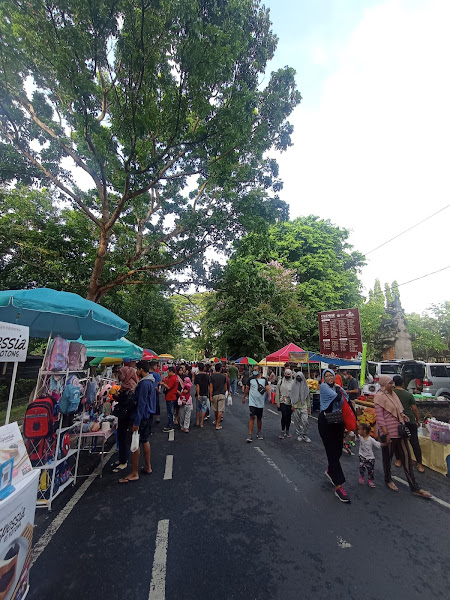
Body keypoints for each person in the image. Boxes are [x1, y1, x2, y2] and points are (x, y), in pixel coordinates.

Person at [374, 375, 430, 498]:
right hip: (388, 433)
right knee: (387, 458)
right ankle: (388, 479)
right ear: (383, 384)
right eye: (389, 383)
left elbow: (399, 410)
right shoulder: (379, 397)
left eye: (392, 383)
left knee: (407, 458)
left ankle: (414, 487)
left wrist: (403, 417)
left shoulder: (394, 395)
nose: (392, 385)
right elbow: (380, 418)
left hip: (400, 431)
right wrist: (386, 434)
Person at [119, 360, 156, 483]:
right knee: (145, 440)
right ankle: (148, 466)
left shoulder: (144, 384)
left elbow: (141, 403)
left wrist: (136, 422)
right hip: (148, 415)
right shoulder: (150, 381)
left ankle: (135, 472)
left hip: (142, 416)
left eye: (137, 369)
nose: (136, 372)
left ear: (140, 369)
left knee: (135, 443)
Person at [318, 368, 350, 503]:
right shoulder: (324, 387)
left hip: (338, 420)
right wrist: (338, 388)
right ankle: (339, 485)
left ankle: (331, 470)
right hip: (326, 422)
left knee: (338, 451)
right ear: (324, 378)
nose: (330, 377)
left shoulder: (338, 388)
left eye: (332, 375)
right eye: (327, 376)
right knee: (332, 453)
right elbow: (337, 397)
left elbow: (346, 400)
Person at [393, 374, 425, 473]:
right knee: (414, 442)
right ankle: (419, 464)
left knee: (398, 441)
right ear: (403, 383)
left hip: (397, 420)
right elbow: (414, 409)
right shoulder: (408, 394)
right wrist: (418, 420)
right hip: (410, 420)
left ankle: (398, 460)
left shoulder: (391, 393)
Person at [114, 363, 139, 473]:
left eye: (121, 374)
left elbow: (128, 402)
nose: (119, 376)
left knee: (124, 437)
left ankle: (124, 461)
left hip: (126, 415)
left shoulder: (131, 386)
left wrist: (118, 397)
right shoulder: (125, 385)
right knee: (120, 436)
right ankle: (121, 458)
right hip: (123, 415)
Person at [242, 365, 270, 443]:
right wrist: (244, 397)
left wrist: (269, 396)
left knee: (259, 418)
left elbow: (268, 387)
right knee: (252, 417)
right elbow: (247, 388)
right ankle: (250, 434)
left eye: (256, 370)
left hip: (260, 402)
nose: (254, 371)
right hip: (252, 402)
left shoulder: (264, 380)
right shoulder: (250, 379)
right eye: (254, 370)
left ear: (260, 371)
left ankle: (259, 432)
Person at [357, 422, 381, 487]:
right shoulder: (360, 437)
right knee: (361, 468)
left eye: (360, 430)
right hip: (362, 456)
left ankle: (370, 480)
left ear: (364, 431)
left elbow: (378, 445)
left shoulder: (371, 439)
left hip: (370, 458)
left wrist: (385, 444)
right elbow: (356, 435)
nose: (358, 431)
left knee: (371, 470)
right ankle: (361, 476)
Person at [291, 370, 311, 442]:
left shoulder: (306, 386)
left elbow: (308, 397)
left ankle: (305, 434)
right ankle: (299, 434)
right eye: (297, 376)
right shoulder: (293, 385)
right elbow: (291, 396)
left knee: (305, 421)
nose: (299, 378)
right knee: (296, 422)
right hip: (296, 406)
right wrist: (292, 404)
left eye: (300, 377)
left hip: (304, 406)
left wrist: (308, 406)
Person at [275, 368, 295, 438]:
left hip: (290, 402)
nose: (287, 375)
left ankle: (287, 430)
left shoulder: (293, 383)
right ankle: (282, 430)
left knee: (289, 416)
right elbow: (277, 392)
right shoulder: (280, 382)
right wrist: (277, 401)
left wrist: (294, 404)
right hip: (282, 400)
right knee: (284, 415)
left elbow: (294, 394)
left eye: (289, 374)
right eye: (286, 374)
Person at [209, 363, 228, 430]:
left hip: (215, 394)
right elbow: (225, 386)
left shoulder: (212, 376)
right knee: (220, 410)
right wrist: (225, 391)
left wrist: (210, 396)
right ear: (220, 369)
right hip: (221, 394)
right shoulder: (223, 376)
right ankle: (218, 424)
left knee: (215, 410)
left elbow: (211, 387)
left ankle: (216, 421)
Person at [161, 365, 178, 432]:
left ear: (171, 372)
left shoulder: (173, 378)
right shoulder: (172, 377)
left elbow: (168, 387)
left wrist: (163, 384)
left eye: (168, 372)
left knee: (170, 412)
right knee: (170, 412)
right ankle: (170, 424)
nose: (167, 374)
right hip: (170, 396)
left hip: (171, 396)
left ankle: (170, 426)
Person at [195, 362, 210, 428]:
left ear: (198, 368)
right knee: (204, 407)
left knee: (198, 408)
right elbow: (209, 386)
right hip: (205, 394)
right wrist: (209, 394)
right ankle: (202, 422)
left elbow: (197, 386)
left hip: (199, 394)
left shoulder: (197, 376)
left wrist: (198, 394)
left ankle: (197, 421)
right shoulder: (207, 376)